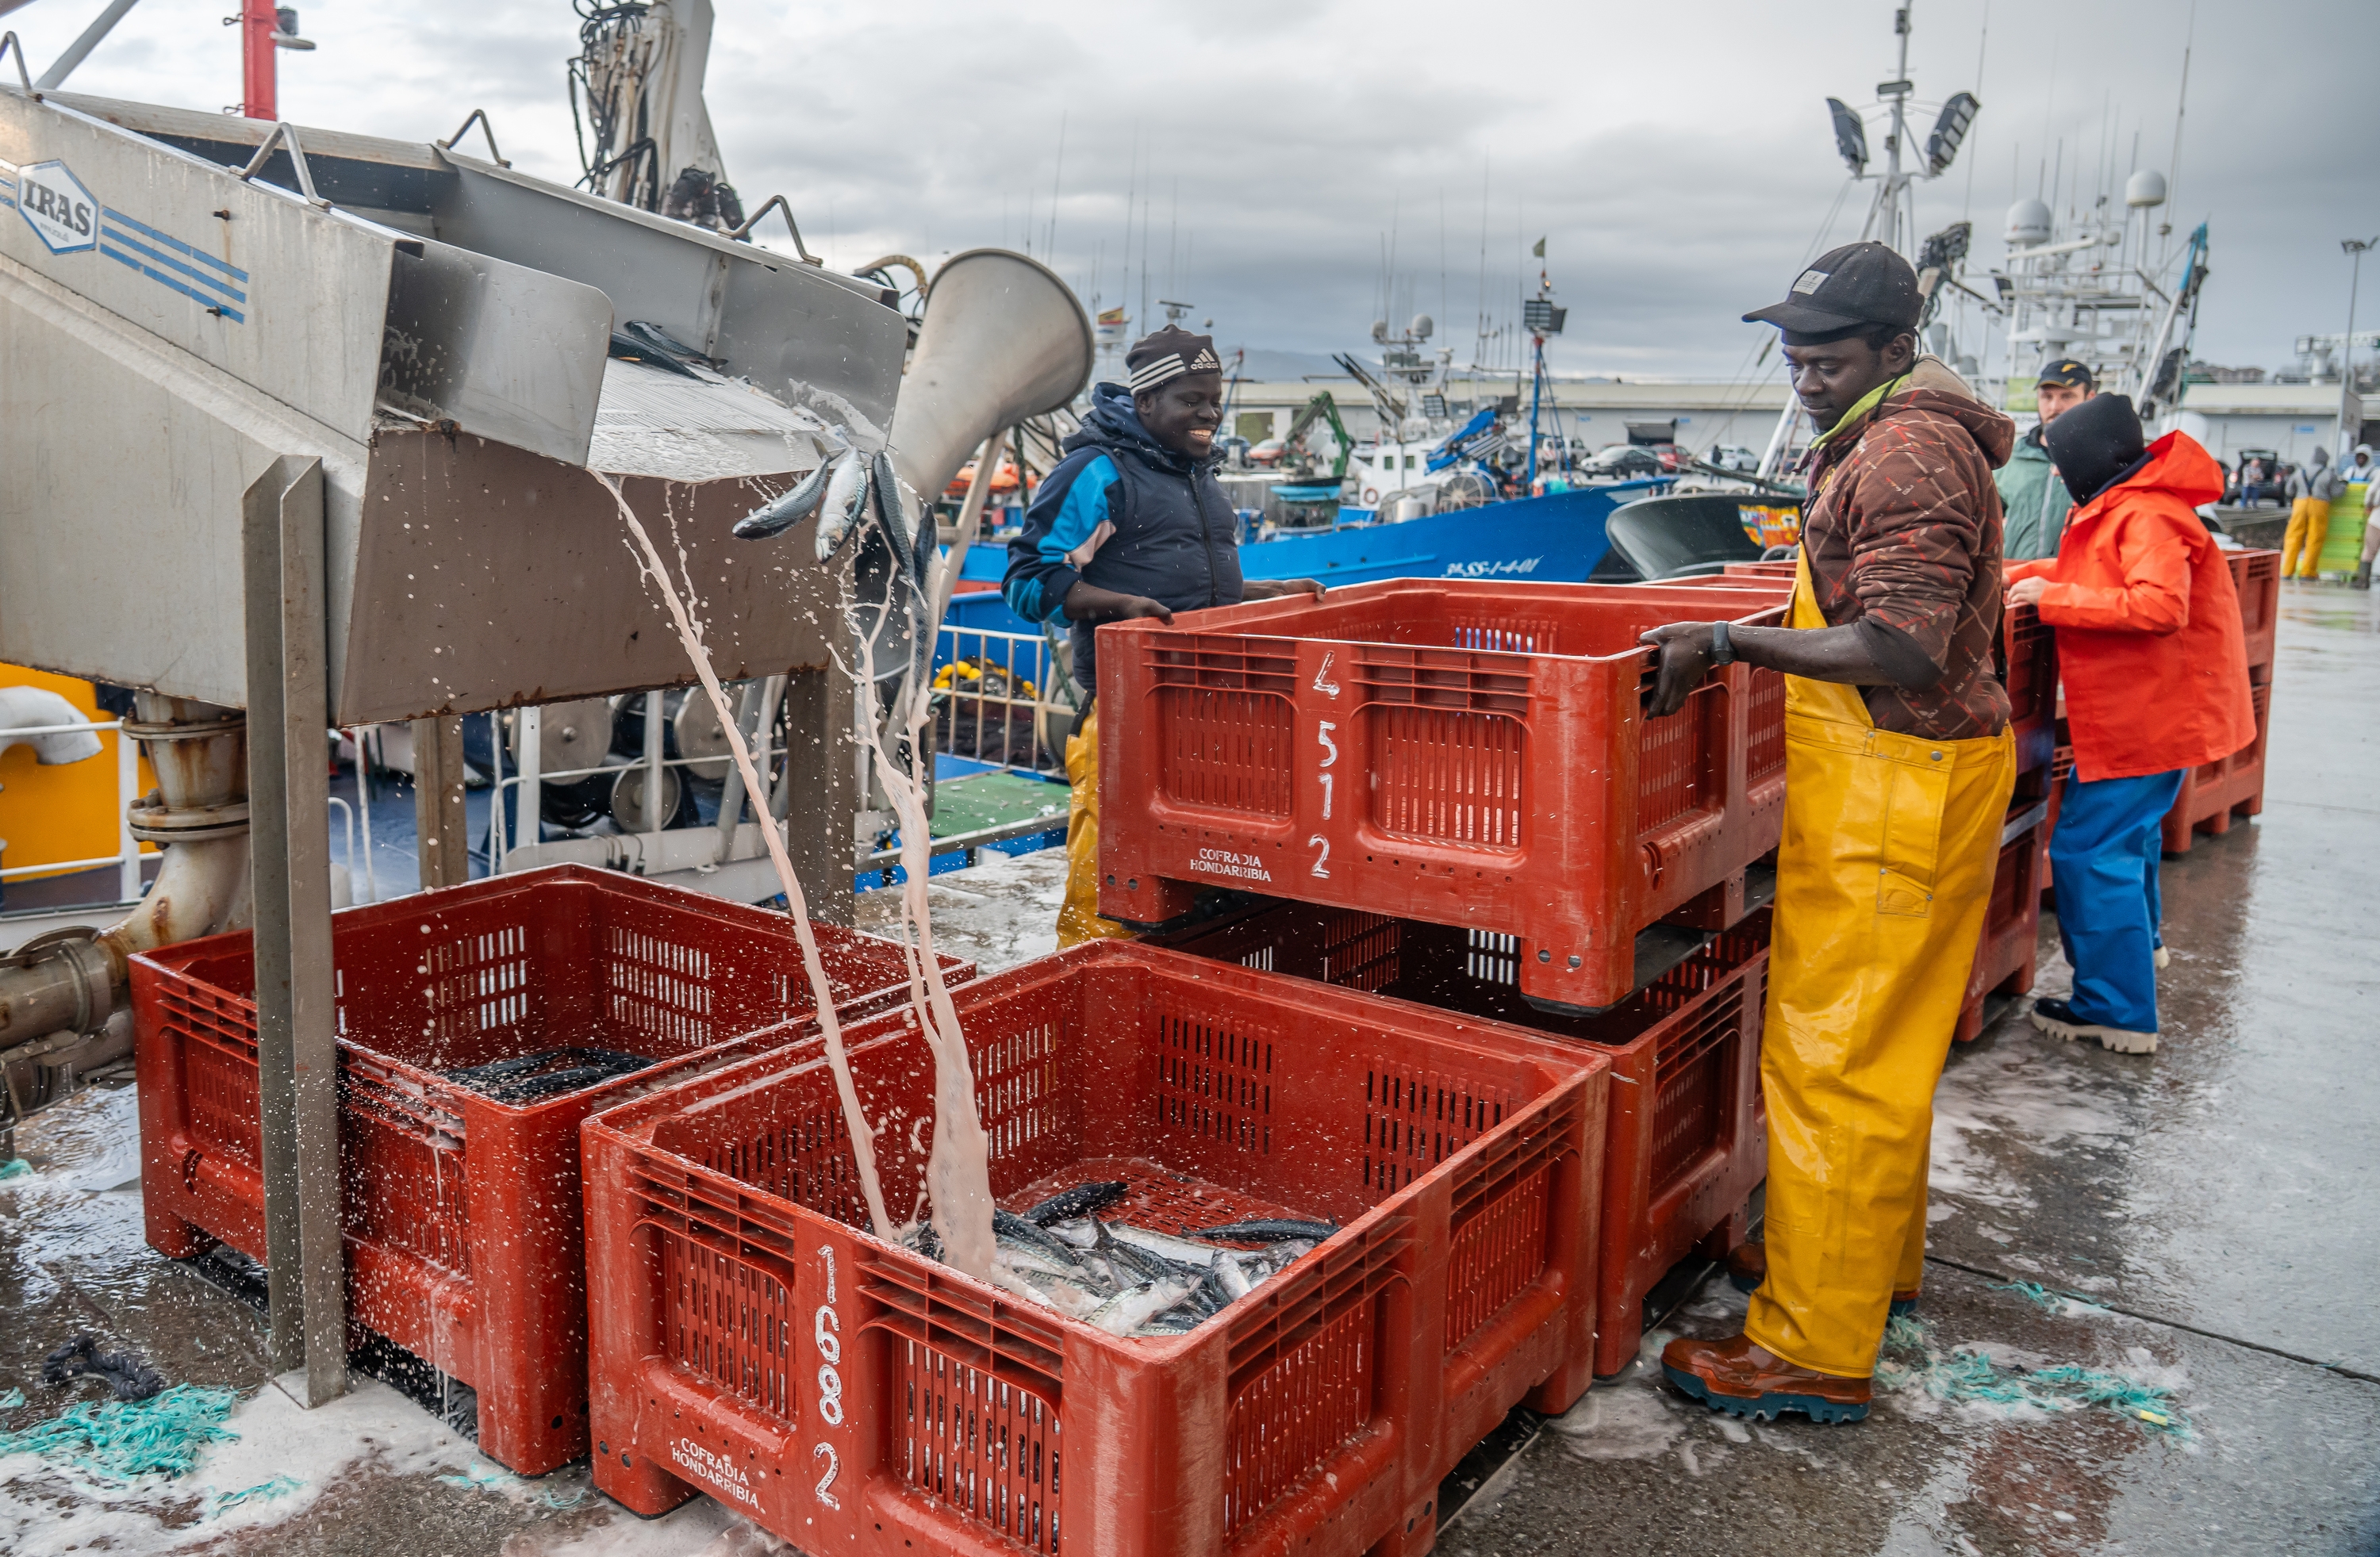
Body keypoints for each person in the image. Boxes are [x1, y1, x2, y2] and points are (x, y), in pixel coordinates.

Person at [1641, 241, 2017, 1425]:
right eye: (1794, 350)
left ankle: (1812, 1345)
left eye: (1830, 353)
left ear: (1896, 349)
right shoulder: (1893, 428)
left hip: (1896, 778)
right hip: (1920, 771)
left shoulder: (1905, 451)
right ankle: (1854, 1276)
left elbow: (1899, 645)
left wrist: (1730, 643)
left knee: (1834, 1061)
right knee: (1887, 1046)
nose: (1804, 372)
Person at [1003, 326, 1321, 946]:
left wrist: (1264, 592)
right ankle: (1091, 988)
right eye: (1191, 400)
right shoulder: (1098, 472)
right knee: (1110, 874)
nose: (1209, 413)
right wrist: (1120, 605)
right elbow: (1025, 581)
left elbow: (1184, 584)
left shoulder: (1197, 471)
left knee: (1197, 874)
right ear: (1146, 403)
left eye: (1214, 400)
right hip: (1127, 714)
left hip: (1213, 711)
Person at [2006, 397, 2258, 1053]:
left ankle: (2115, 1009)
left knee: (2090, 849)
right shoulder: (2140, 502)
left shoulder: (2144, 512)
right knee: (2130, 841)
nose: (2059, 476)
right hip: (2154, 712)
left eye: (2063, 462)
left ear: (2091, 460)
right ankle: (2140, 953)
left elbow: (2157, 605)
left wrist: (2050, 598)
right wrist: (2019, 576)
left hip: (2152, 717)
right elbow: (2093, 574)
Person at [1994, 358, 2094, 560]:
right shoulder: (2011, 458)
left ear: (2090, 398)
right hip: (2015, 581)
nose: (2054, 406)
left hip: (2074, 585)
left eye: (2067, 396)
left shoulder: (2102, 463)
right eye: (2046, 397)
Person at [2281, 446, 2342, 578]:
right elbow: (2337, 492)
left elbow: (2289, 491)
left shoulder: (2299, 472)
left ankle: (2287, 571)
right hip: (2319, 504)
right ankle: (2308, 572)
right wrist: (2344, 485)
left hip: (2300, 504)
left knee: (2293, 537)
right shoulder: (2328, 473)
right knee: (2315, 538)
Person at [2345, 443, 2377, 589]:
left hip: (2376, 518)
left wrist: (2368, 505)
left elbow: (2371, 492)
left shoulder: (2376, 473)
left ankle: (2363, 580)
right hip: (2365, 515)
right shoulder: (2350, 471)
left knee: (2369, 550)